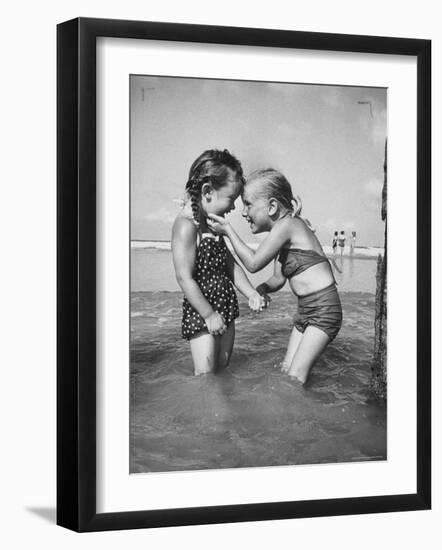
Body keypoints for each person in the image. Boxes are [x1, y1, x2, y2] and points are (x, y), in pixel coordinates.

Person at [208, 168, 342, 385]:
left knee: (295, 377)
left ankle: (301, 417)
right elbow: (278, 279)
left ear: (271, 206)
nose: (243, 212)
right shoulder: (281, 233)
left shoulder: (288, 225)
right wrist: (262, 289)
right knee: (287, 372)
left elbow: (252, 264)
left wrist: (227, 231)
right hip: (305, 310)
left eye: (248, 204)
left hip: (325, 310)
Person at [172, 149, 265, 375]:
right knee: (205, 376)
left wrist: (251, 293)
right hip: (201, 311)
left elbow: (230, 265)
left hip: (226, 306)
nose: (233, 207)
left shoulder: (213, 225)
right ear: (208, 191)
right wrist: (208, 314)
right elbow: (184, 278)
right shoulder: (186, 226)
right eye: (231, 199)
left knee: (222, 370)